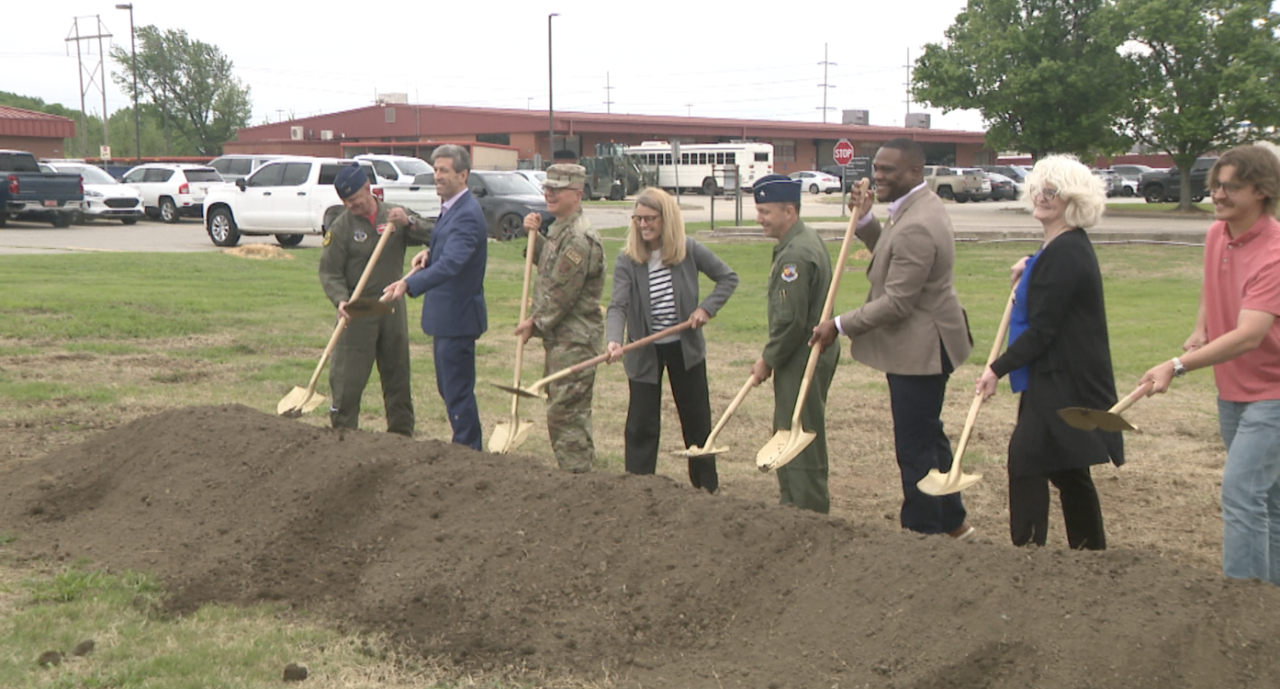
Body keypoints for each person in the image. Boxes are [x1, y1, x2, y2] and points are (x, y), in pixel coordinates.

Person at [809, 137, 975, 537]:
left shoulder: (918, 223)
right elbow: (891, 252)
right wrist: (865, 221)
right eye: (877, 168)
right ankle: (953, 523)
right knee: (929, 435)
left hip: (922, 350)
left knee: (915, 448)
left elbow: (898, 302)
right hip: (924, 344)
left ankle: (922, 534)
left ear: (915, 172)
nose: (877, 176)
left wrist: (839, 324)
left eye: (888, 170)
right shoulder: (914, 208)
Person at [1140, 144, 1280, 584]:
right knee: (1267, 501)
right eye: (1215, 185)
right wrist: (1201, 327)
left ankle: (1241, 611)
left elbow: (1249, 335)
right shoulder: (1218, 232)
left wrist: (1178, 364)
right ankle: (1268, 605)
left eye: (1230, 187)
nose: (1217, 194)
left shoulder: (1275, 253)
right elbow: (1213, 284)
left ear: (1261, 191)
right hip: (1232, 390)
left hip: (1272, 396)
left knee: (1240, 494)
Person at [975, 155, 1123, 550]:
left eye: (1052, 191)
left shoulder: (1067, 253)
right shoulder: (1059, 249)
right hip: (1055, 377)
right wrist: (1031, 264)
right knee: (1066, 467)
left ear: (1071, 199)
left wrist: (996, 368)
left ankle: (1028, 554)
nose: (1042, 197)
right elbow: (1048, 281)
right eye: (1038, 188)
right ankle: (1089, 552)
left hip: (1065, 380)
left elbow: (1043, 330)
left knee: (1027, 460)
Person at [605, 187, 739, 493]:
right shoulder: (628, 259)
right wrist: (614, 340)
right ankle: (639, 488)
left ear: (666, 219)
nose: (643, 225)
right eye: (638, 219)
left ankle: (706, 488)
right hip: (643, 350)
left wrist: (706, 309)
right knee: (641, 424)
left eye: (650, 218)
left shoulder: (688, 249)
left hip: (685, 348)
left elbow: (728, 278)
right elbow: (618, 305)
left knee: (696, 421)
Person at [382, 145, 487, 450]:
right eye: (436, 170)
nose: (437, 176)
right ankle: (465, 448)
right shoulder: (451, 207)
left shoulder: (467, 213)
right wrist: (430, 253)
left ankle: (468, 452)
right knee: (449, 389)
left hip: (458, 318)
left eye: (444, 171)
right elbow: (449, 251)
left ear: (463, 175)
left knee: (457, 391)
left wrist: (409, 285)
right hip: (446, 319)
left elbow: (454, 263)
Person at [318, 163, 431, 436]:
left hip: (392, 306)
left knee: (397, 376)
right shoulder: (341, 227)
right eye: (346, 202)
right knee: (348, 380)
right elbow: (330, 271)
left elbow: (435, 234)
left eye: (355, 200)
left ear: (368, 189)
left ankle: (401, 435)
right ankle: (344, 435)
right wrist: (341, 300)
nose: (351, 206)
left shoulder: (393, 215)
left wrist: (410, 222)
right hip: (357, 312)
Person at [750, 174, 839, 513]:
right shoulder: (802, 241)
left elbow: (790, 322)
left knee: (799, 431)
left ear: (789, 211)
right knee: (790, 426)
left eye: (765, 211)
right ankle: (792, 502)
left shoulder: (796, 256)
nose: (759, 219)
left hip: (803, 355)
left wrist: (767, 360)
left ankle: (806, 507)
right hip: (805, 352)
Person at [516, 164, 605, 473]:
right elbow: (552, 266)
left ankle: (579, 479)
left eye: (557, 189)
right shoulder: (560, 228)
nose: (549, 193)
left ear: (577, 194)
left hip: (575, 341)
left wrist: (535, 323)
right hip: (563, 340)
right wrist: (535, 237)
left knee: (566, 415)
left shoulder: (580, 238)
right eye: (547, 187)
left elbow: (562, 293)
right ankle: (576, 479)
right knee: (563, 411)